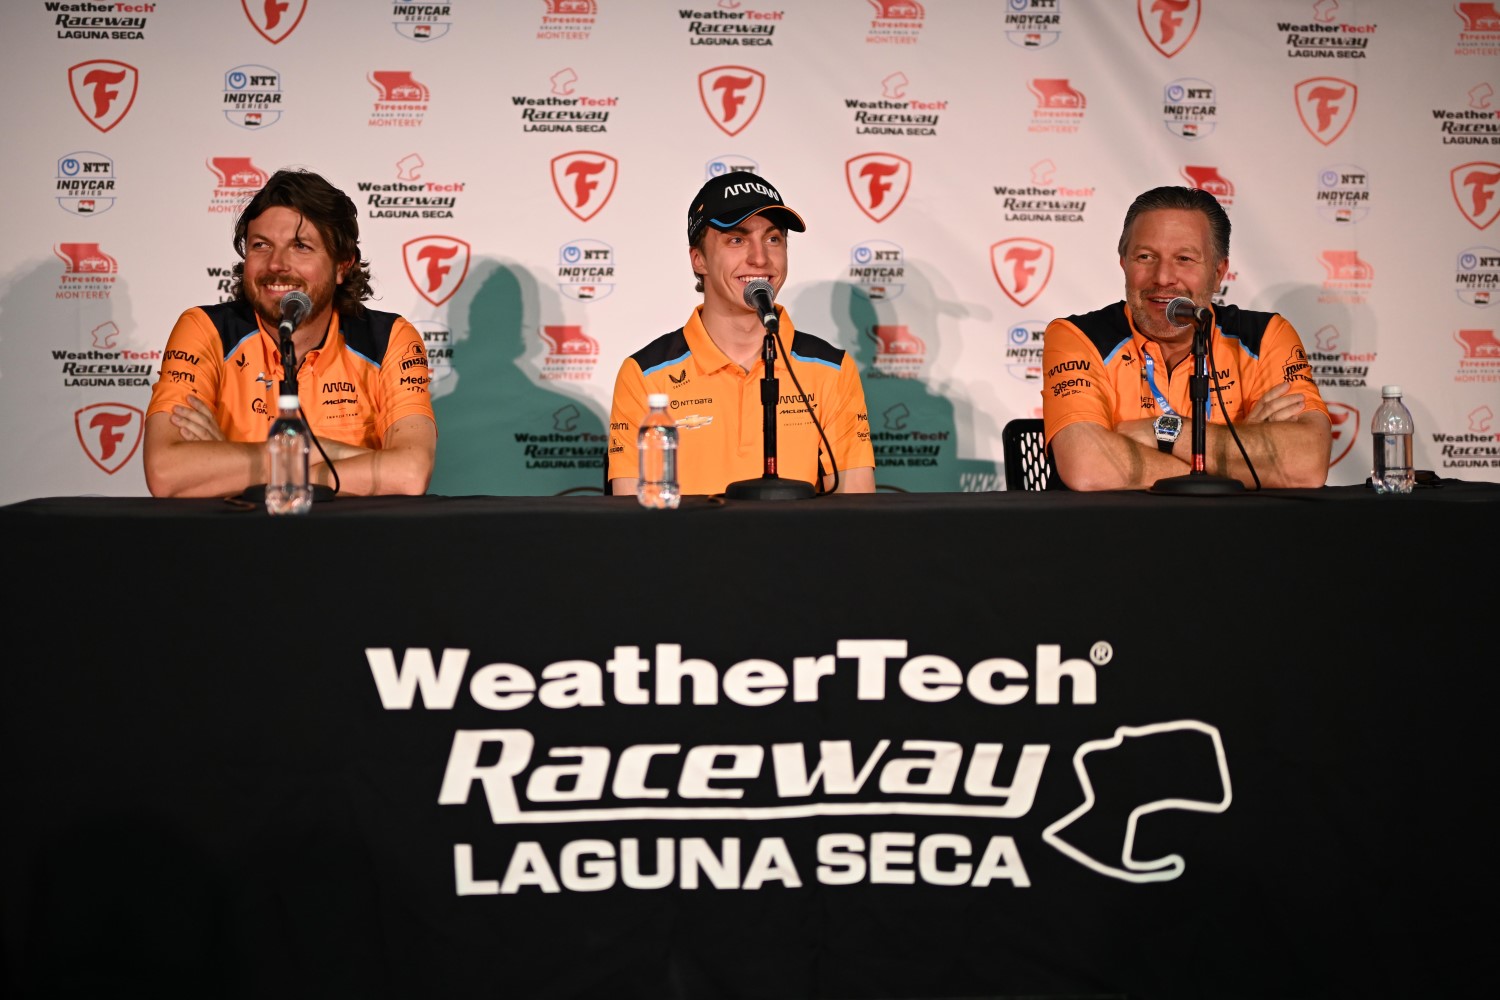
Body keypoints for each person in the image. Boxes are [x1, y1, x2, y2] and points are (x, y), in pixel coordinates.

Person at [144, 168, 436, 498]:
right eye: (261, 245)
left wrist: (232, 460)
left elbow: (409, 473)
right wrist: (328, 453)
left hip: (353, 544)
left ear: (342, 265)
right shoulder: (204, 329)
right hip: (234, 543)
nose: (276, 265)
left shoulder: (388, 340)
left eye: (300, 246)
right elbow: (165, 473)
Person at [1041, 185, 1331, 491]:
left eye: (1184, 259)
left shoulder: (1266, 337)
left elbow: (1307, 464)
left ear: (1219, 272)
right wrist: (1242, 454)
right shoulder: (1077, 337)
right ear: (1124, 263)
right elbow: (1088, 467)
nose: (1163, 277)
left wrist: (1165, 432)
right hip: (1114, 533)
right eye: (1145, 256)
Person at [606, 171, 876, 495]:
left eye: (773, 239)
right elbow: (632, 520)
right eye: (737, 239)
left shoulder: (832, 371)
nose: (760, 258)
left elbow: (856, 510)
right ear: (698, 259)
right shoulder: (645, 376)